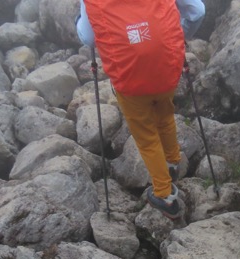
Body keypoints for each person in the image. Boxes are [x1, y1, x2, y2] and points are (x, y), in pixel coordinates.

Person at [76, 0, 206, 220]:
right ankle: (173, 162)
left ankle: (165, 195)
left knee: (146, 136)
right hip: (166, 65)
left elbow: (88, 37)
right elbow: (197, 11)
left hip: (129, 77)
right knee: (165, 113)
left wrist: (80, 21)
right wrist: (178, 35)